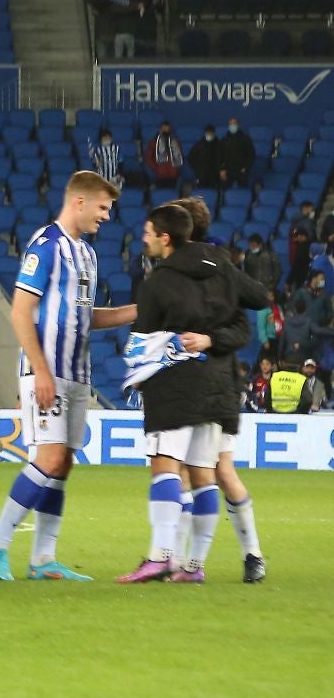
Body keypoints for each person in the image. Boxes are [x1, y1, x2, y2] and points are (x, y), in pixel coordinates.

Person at [0, 172, 136, 583]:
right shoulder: (46, 245)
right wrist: (42, 372)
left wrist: (136, 311)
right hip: (45, 371)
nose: (106, 216)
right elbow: (19, 311)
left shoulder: (87, 254)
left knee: (63, 462)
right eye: (102, 208)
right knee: (48, 458)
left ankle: (43, 558)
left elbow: (87, 316)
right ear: (79, 202)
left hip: (77, 374)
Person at [117, 204, 246, 585]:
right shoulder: (220, 272)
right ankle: (194, 565)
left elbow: (143, 339)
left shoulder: (158, 281)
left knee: (165, 465)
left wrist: (137, 373)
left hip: (173, 385)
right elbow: (243, 318)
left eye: (148, 232)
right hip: (215, 384)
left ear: (165, 238)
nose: (144, 238)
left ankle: (160, 557)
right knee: (204, 475)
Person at [144, 121, 183, 189]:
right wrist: (156, 168)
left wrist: (176, 169)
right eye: (163, 128)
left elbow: (179, 156)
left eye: (167, 128)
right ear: (160, 129)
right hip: (160, 175)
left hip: (173, 174)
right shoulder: (154, 142)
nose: (165, 129)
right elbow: (148, 158)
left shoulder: (175, 141)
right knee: (160, 195)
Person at [220, 118, 255, 189]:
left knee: (243, 193)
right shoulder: (224, 139)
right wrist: (222, 169)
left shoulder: (246, 139)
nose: (232, 126)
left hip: (241, 171)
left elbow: (251, 155)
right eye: (230, 124)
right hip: (228, 171)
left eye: (234, 124)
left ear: (238, 125)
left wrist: (246, 168)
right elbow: (219, 156)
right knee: (226, 192)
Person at [186, 125, 221, 191]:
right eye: (208, 133)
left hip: (215, 176)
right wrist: (197, 168)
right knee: (200, 194)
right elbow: (190, 158)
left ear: (214, 133)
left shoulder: (219, 144)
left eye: (211, 133)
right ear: (205, 133)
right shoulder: (199, 144)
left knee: (214, 194)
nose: (209, 134)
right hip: (201, 175)